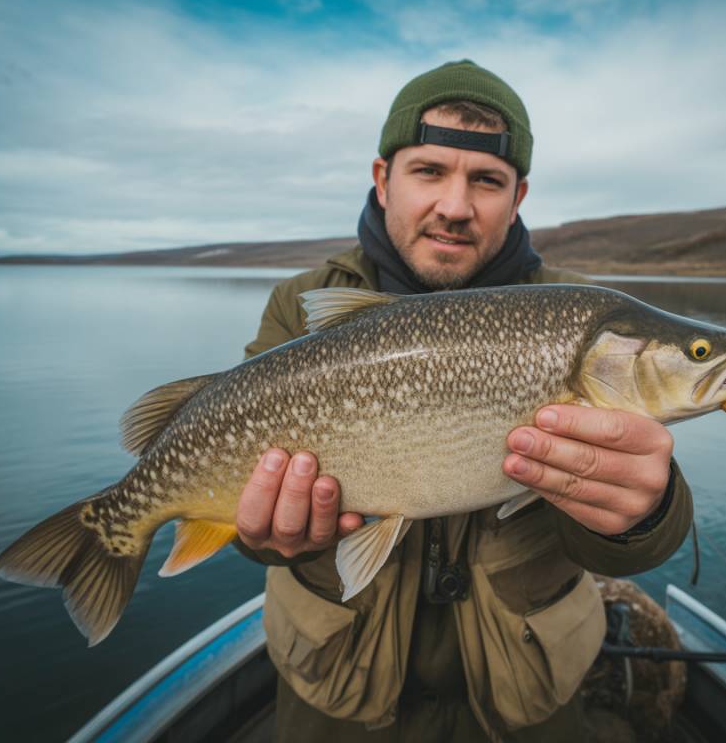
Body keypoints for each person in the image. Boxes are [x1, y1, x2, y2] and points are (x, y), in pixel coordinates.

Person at [234, 60, 693, 742]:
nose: (455, 205)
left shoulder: (586, 321)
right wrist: (268, 538)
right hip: (336, 691)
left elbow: (620, 544)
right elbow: (247, 509)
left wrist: (643, 514)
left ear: (519, 196)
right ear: (383, 178)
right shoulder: (301, 306)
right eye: (428, 172)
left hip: (523, 697)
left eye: (486, 180)